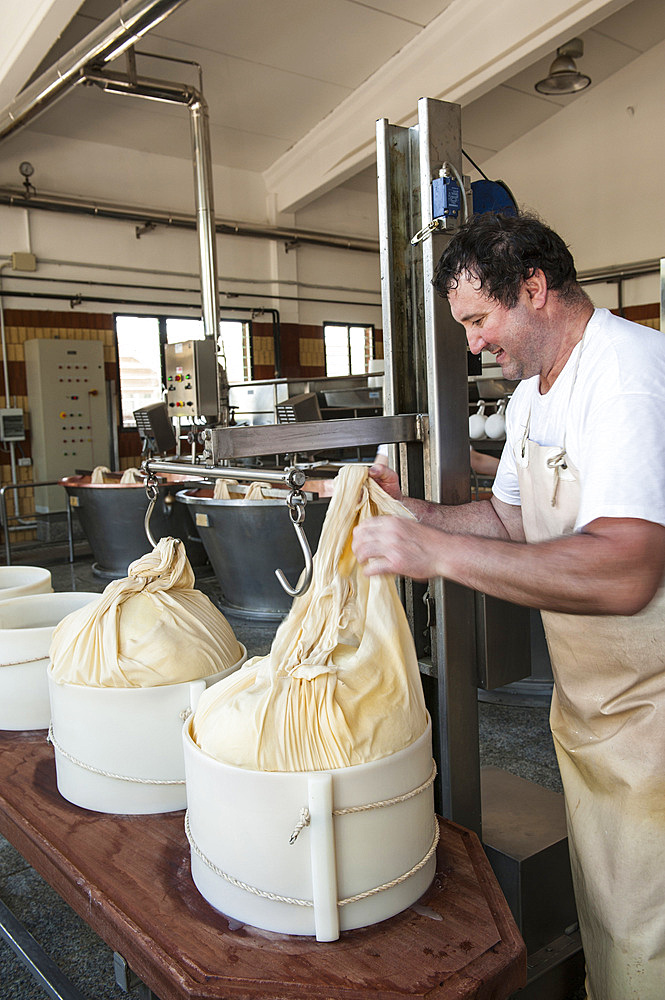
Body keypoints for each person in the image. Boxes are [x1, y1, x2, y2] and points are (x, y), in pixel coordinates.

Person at [352, 211, 665, 1000]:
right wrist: (407, 515)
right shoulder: (534, 396)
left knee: (650, 930)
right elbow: (511, 520)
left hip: (657, 713)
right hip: (596, 708)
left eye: (478, 320)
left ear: (534, 289)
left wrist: (436, 556)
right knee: (614, 920)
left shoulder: (627, 373)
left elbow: (627, 569)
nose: (473, 343)